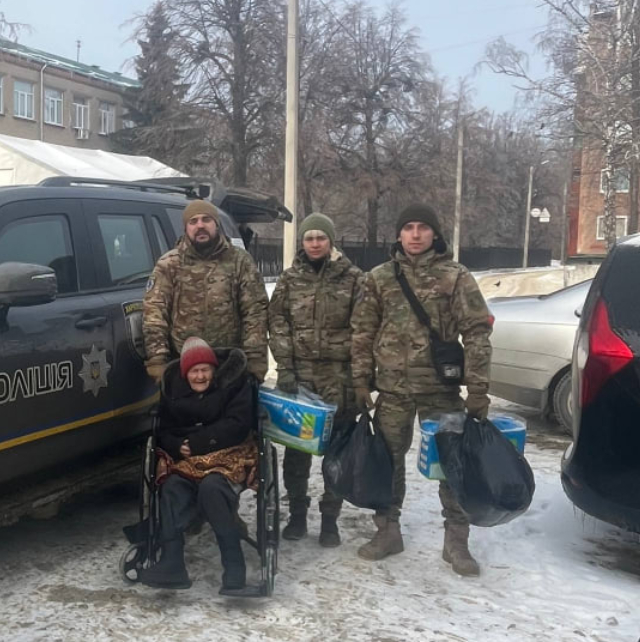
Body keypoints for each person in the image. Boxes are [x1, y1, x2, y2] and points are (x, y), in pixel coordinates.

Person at [350, 203, 493, 576]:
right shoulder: (379, 278)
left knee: (451, 463)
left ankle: (456, 541)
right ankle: (388, 531)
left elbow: (477, 332)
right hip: (393, 389)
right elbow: (363, 333)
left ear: (434, 234)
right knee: (387, 462)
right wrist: (361, 380)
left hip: (440, 390)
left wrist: (478, 388)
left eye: (423, 228)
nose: (415, 234)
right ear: (398, 234)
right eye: (408, 227)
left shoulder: (455, 276)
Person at [267, 213, 364, 547]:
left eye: (321, 238)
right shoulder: (290, 280)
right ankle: (297, 514)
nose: (315, 244)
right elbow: (278, 324)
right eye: (309, 238)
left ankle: (329, 519)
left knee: (336, 453)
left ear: (331, 241)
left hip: (340, 378)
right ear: (302, 242)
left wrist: (360, 378)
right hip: (302, 378)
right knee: (297, 452)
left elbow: (365, 330)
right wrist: (286, 368)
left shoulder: (353, 279)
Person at [139, 337, 257, 593]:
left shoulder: (235, 386)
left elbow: (239, 424)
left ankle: (235, 568)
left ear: (215, 371)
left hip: (228, 455)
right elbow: (165, 431)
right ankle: (172, 564)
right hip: (187, 461)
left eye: (206, 369)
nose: (201, 376)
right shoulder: (173, 392)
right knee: (170, 487)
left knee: (212, 489)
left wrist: (198, 442)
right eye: (194, 371)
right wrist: (176, 445)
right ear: (185, 373)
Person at [143, 199, 269, 384]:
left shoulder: (240, 261)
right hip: (183, 365)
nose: (200, 225)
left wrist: (255, 362)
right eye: (193, 221)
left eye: (206, 220)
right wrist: (157, 360)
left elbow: (255, 314)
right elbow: (154, 314)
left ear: (216, 224)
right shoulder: (169, 264)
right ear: (186, 228)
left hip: (229, 364)